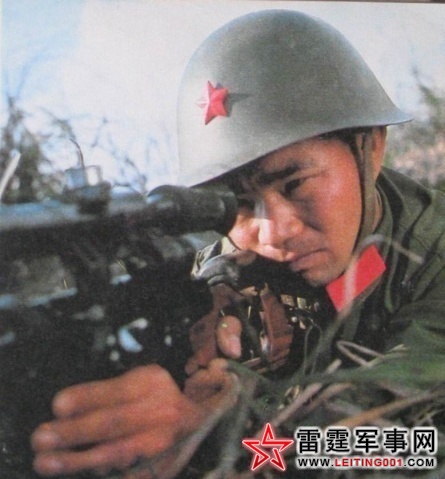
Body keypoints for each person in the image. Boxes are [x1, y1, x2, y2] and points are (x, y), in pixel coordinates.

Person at [31, 9, 445, 477]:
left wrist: (222, 435)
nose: (273, 233)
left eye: (295, 185)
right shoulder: (240, 261)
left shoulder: (434, 253)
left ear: (370, 148)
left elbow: (410, 440)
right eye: (240, 205)